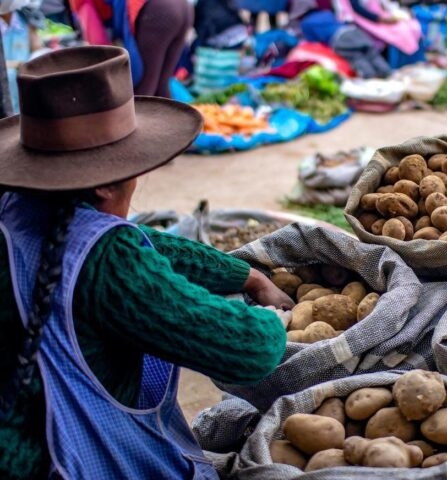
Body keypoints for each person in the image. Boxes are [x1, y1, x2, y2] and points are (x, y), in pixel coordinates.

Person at [0, 45, 293, 479]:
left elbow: (144, 243)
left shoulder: (14, 209)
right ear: (108, 183)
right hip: (63, 462)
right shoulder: (108, 264)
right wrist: (274, 320)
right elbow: (248, 351)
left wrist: (244, 275)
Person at [69, 0, 193, 97]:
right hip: (184, 8)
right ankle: (174, 128)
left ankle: (144, 129)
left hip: (159, 10)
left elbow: (99, 46)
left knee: (143, 89)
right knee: (161, 86)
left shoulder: (80, 2)